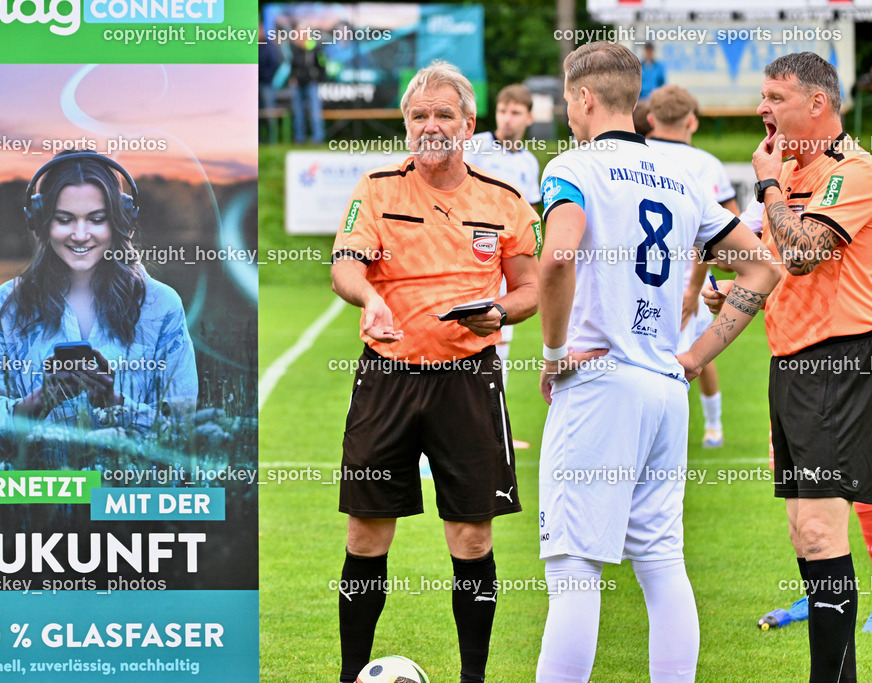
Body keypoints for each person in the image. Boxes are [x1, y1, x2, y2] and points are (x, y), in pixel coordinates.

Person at [536, 42, 779, 681]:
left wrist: (555, 354)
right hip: (666, 386)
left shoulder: (574, 167)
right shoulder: (683, 179)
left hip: (600, 383)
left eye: (567, 99)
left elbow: (557, 257)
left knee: (574, 570)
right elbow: (762, 266)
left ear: (584, 98)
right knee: (661, 562)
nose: (567, 111)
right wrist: (696, 354)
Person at [330, 61, 540, 683]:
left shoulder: (503, 200)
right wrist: (369, 297)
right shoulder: (376, 187)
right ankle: (349, 674)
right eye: (418, 116)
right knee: (367, 534)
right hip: (388, 377)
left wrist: (499, 311)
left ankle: (472, 677)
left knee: (472, 539)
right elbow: (346, 266)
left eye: (443, 114)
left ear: (469, 124)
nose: (430, 126)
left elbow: (529, 289)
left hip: (468, 380)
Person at [703, 51, 872, 681]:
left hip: (839, 364)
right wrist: (727, 292)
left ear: (818, 105)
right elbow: (775, 269)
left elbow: (801, 254)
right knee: (806, 538)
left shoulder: (852, 171)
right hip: (792, 369)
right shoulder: (796, 175)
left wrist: (767, 184)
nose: (761, 110)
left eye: (775, 98)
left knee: (825, 536)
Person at [0, 150, 198, 446]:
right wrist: (40, 402)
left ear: (119, 220)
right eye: (64, 219)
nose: (80, 234)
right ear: (40, 221)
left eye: (96, 219)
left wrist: (115, 403)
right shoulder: (8, 304)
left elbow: (184, 432)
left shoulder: (162, 305)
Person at [646, 84, 741, 448]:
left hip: (639, 281)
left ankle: (648, 438)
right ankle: (708, 429)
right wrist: (693, 287)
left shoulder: (631, 154)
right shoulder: (705, 164)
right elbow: (730, 232)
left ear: (651, 119)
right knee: (694, 359)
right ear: (693, 122)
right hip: (690, 286)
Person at [464, 82, 542, 448]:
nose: (507, 119)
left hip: (507, 261)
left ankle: (497, 428)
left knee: (502, 341)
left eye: (515, 113)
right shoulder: (474, 146)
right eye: (502, 111)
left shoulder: (529, 162)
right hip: (468, 258)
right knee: (463, 339)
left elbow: (533, 217)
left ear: (529, 117)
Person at [289, 25, 326, 144]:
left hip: (311, 84)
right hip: (298, 85)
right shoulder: (295, 50)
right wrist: (293, 77)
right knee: (298, 113)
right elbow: (292, 66)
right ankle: (299, 139)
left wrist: (317, 79)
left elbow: (322, 66)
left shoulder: (315, 48)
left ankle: (318, 138)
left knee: (315, 112)